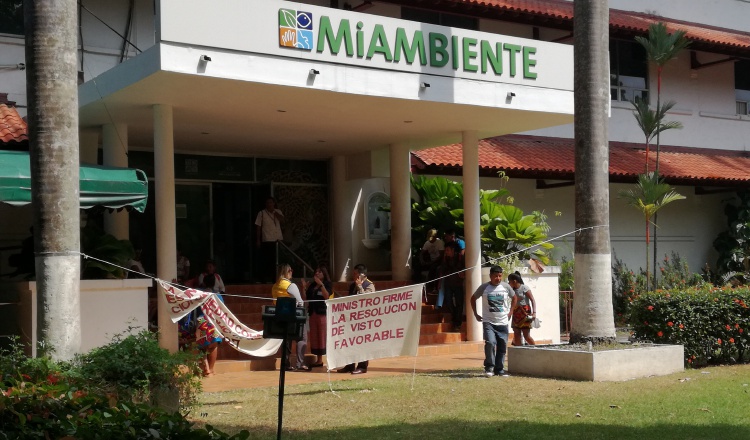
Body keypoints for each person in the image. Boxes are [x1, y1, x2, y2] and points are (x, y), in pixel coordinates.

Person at [470, 265, 516, 377]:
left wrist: (511, 312)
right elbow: (473, 298)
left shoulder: (506, 287)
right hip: (488, 322)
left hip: (503, 322)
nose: (498, 278)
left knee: (502, 346)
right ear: (490, 276)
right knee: (490, 342)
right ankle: (489, 367)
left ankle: (499, 369)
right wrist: (476, 314)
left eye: (500, 276)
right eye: (495, 276)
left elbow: (514, 298)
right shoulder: (484, 287)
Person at [337, 263, 375, 375]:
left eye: (355, 274)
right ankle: (350, 364)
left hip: (364, 320)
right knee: (351, 342)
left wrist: (360, 287)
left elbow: (366, 300)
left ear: (362, 275)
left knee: (363, 343)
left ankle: (362, 366)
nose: (353, 276)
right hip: (353, 319)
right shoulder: (352, 285)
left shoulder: (369, 285)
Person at [272, 263, 304, 371]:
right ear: (286, 272)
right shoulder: (290, 285)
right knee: (301, 338)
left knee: (286, 340)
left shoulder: (275, 286)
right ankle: (300, 364)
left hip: (280, 316)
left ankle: (285, 363)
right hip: (293, 316)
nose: (292, 272)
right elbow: (300, 302)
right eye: (290, 270)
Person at [301, 264, 333, 369]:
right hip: (313, 313)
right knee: (314, 336)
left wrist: (321, 285)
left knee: (322, 336)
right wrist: (304, 289)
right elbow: (306, 298)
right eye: (316, 271)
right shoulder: (312, 285)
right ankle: (318, 360)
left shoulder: (327, 284)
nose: (317, 273)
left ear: (324, 273)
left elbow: (326, 296)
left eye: (319, 272)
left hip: (322, 313)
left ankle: (322, 359)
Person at [196, 273, 224, 377]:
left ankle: (206, 368)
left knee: (201, 346)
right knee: (213, 346)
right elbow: (221, 310)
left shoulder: (199, 295)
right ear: (214, 283)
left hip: (202, 321)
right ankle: (211, 370)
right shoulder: (218, 296)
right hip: (213, 322)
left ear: (203, 282)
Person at [255, 197, 284, 283]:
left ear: (274, 203)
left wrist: (275, 213)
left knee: (276, 260)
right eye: (268, 203)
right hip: (267, 239)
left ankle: (275, 278)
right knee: (267, 260)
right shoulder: (262, 213)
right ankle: (264, 278)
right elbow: (258, 227)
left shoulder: (278, 212)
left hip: (277, 239)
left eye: (271, 203)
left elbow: (283, 220)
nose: (269, 204)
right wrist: (258, 239)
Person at [439, 242, 465, 331]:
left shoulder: (460, 258)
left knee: (459, 303)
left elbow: (465, 268)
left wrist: (463, 273)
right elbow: (442, 270)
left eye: (447, 250)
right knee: (448, 301)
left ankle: (457, 323)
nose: (446, 252)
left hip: (458, 284)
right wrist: (439, 283)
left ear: (453, 250)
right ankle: (455, 318)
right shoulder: (445, 259)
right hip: (448, 283)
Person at [508, 272, 537, 346]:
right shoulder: (512, 290)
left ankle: (536, 349)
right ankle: (519, 351)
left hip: (525, 313)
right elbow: (512, 301)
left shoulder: (524, 288)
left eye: (509, 281)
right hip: (516, 313)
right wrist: (510, 312)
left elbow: (532, 300)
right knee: (517, 334)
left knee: (526, 335)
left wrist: (534, 312)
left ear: (514, 281)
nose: (509, 283)